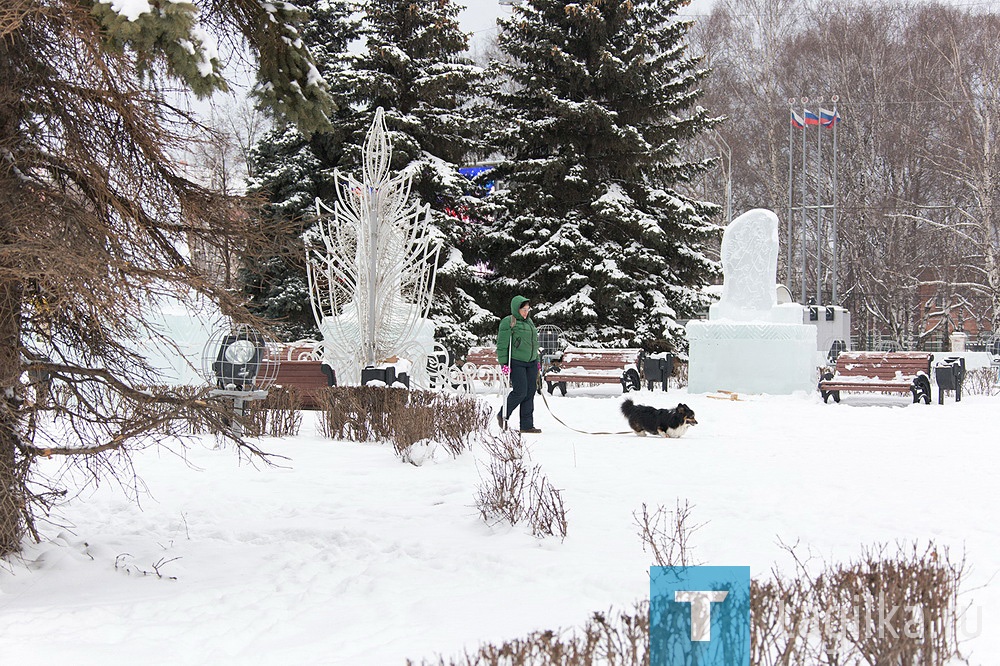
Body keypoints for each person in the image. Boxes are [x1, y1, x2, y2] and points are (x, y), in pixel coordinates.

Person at [496, 295, 541, 433]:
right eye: (523, 309)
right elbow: (502, 344)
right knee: (520, 392)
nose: (526, 312)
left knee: (530, 392)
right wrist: (503, 363)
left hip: (531, 362)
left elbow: (534, 343)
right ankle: (503, 415)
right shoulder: (509, 321)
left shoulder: (530, 322)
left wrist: (537, 361)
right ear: (516, 309)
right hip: (516, 362)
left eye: (528, 309)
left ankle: (527, 425)